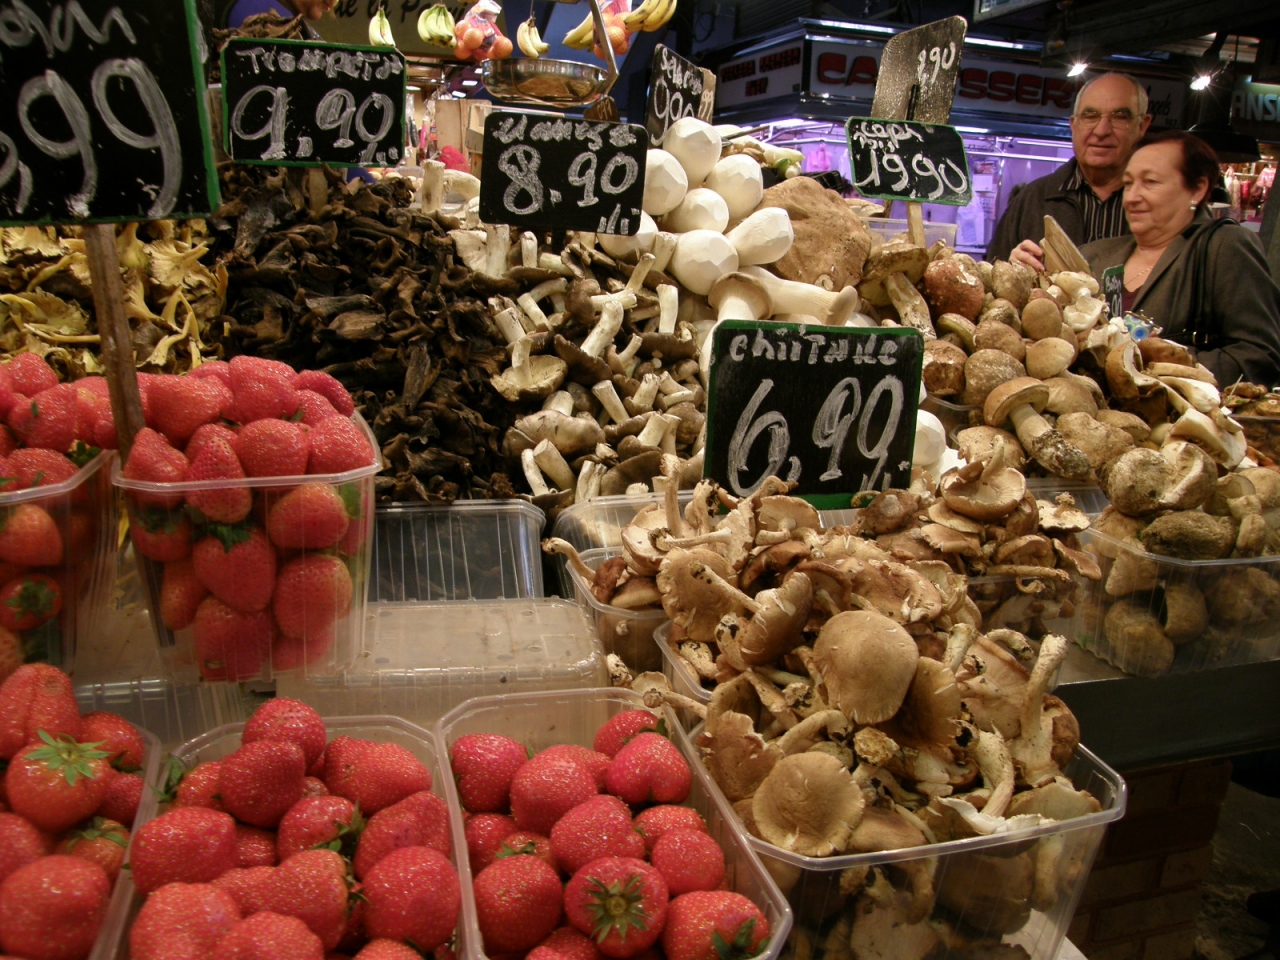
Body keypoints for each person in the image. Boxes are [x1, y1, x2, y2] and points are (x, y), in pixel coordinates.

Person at [1080, 130, 1280, 387]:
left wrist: (1163, 364)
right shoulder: (1093, 255)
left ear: (1197, 189)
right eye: (1128, 184)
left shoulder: (1224, 246)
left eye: (1150, 182)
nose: (1131, 197)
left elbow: (1260, 357)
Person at [986, 73, 1152, 269]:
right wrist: (1011, 269)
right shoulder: (1032, 200)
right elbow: (991, 273)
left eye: (1119, 117)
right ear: (1073, 124)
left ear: (1142, 126)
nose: (1101, 131)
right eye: (1090, 116)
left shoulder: (1158, 204)